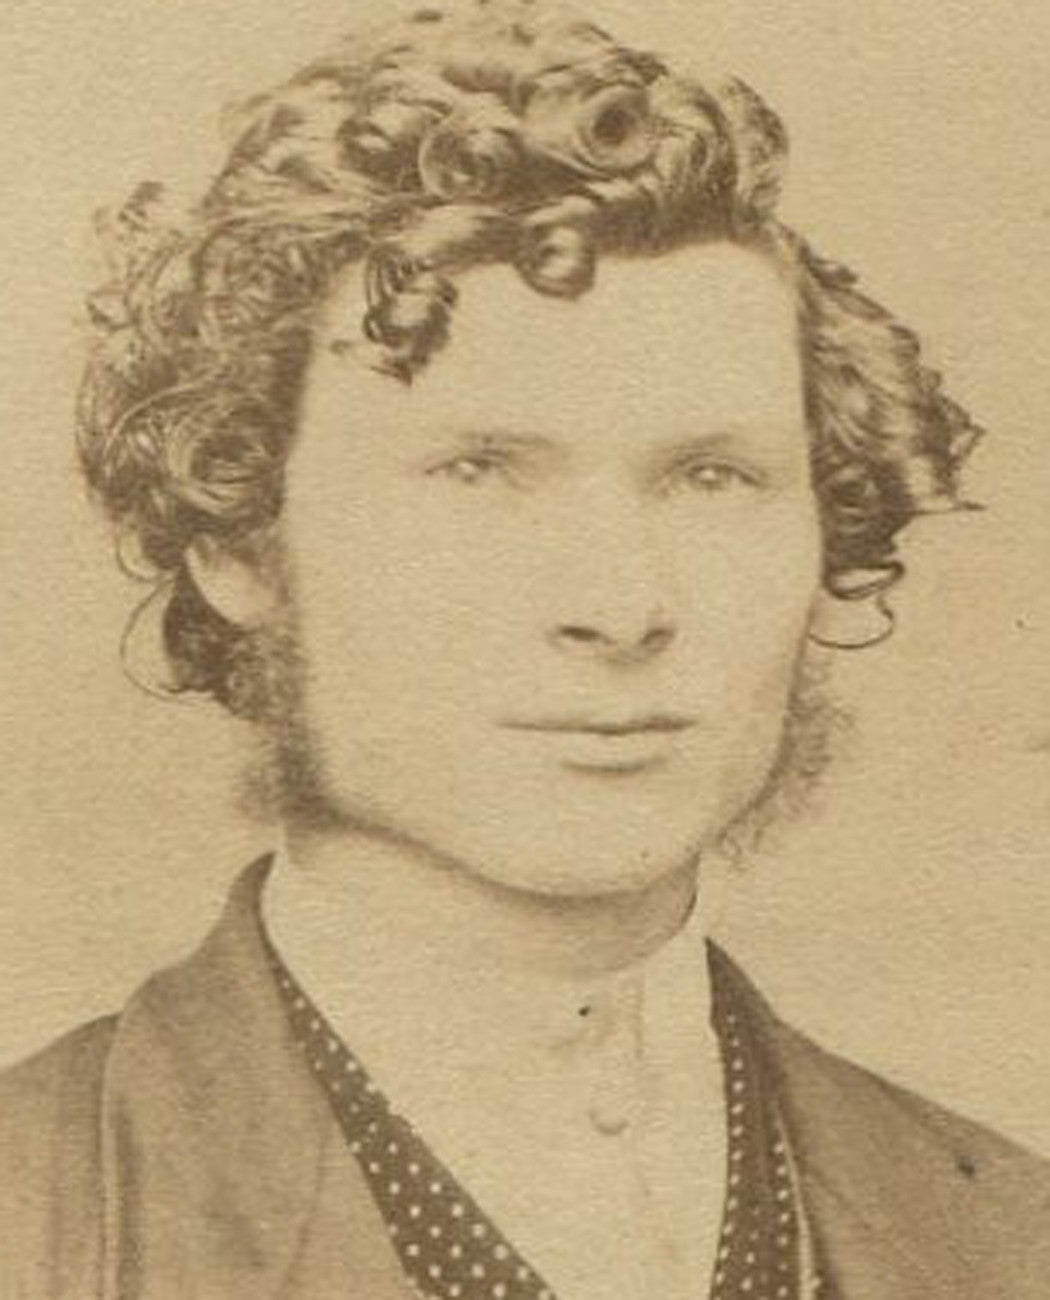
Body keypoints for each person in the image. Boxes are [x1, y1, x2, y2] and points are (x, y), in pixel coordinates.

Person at [1, 2, 1047, 1296]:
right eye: (479, 471)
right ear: (239, 538)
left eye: (711, 477)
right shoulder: (34, 1211)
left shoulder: (1004, 1231)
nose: (621, 603)